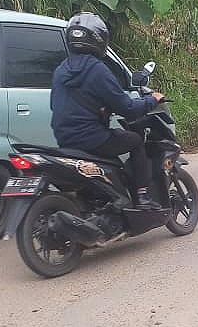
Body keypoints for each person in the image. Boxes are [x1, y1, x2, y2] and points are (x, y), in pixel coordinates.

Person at [50, 12, 164, 209]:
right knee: (135, 142)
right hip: (93, 139)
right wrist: (151, 101)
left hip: (65, 140)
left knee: (113, 149)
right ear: (99, 39)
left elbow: (55, 105)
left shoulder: (61, 70)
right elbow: (127, 108)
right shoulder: (97, 70)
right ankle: (143, 196)